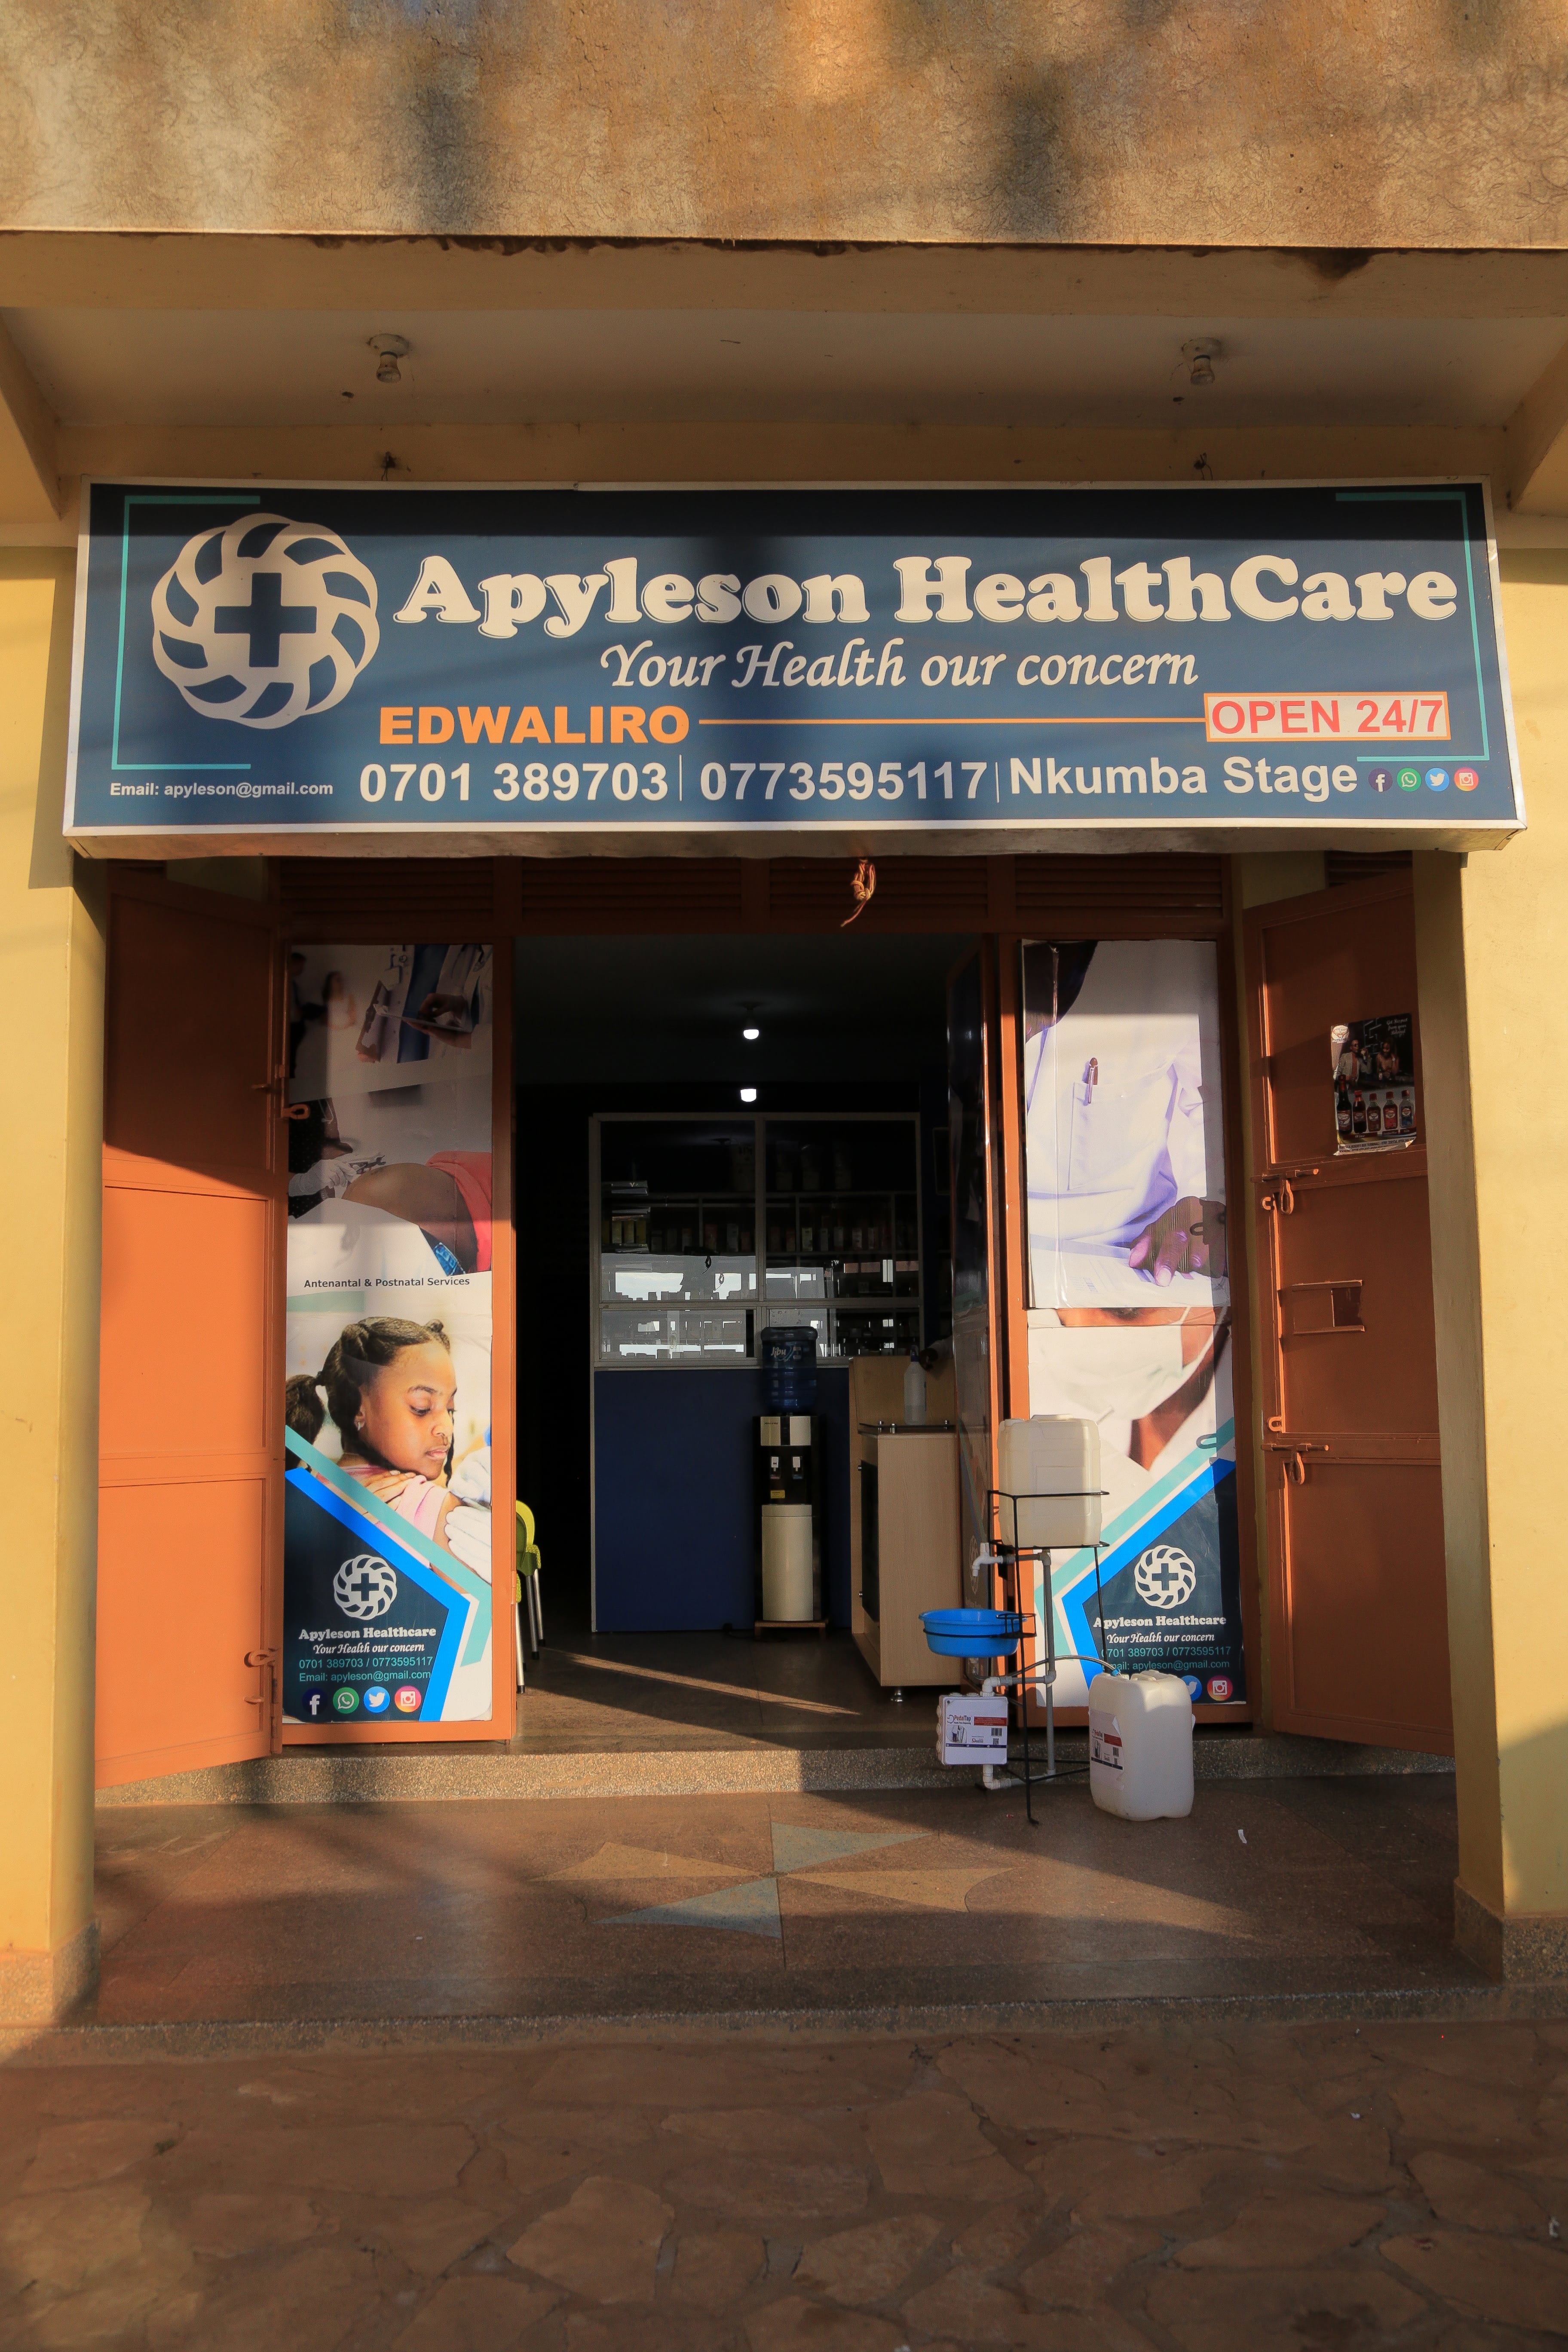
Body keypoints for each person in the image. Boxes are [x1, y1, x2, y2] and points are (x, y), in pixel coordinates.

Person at [1022, 939, 1226, 1305]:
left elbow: (1218, 1095)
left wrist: (1212, 1203)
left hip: (1129, 1255)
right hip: (992, 1251)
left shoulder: (1175, 954)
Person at [286, 1316, 461, 1553]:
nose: (446, 1428)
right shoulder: (440, 1513)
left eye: (450, 1409)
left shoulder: (296, 1505)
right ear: (358, 1406)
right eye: (422, 1408)